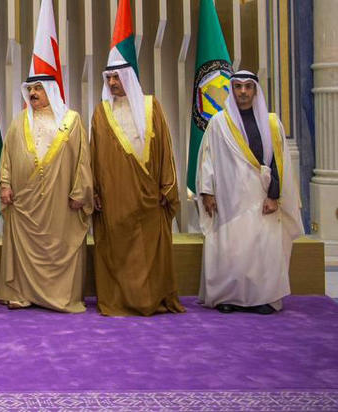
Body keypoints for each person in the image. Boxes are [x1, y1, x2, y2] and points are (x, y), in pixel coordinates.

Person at [195, 70, 302, 313]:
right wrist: (207, 192)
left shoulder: (271, 123)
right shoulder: (218, 123)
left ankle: (262, 299)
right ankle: (228, 298)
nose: (243, 92)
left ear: (255, 90)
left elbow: (279, 162)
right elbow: (207, 161)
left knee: (262, 249)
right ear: (231, 90)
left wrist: (274, 196)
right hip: (228, 199)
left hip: (261, 199)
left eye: (248, 87)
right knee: (231, 248)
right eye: (238, 87)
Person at [90, 61, 185, 316]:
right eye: (108, 78)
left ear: (128, 79)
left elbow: (165, 148)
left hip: (150, 195)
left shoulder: (150, 106)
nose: (111, 83)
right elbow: (94, 156)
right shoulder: (101, 113)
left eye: (116, 78)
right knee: (118, 252)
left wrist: (168, 186)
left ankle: (152, 300)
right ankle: (121, 301)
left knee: (150, 252)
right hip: (115, 198)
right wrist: (95, 192)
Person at [0, 75, 93, 313]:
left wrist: (80, 191)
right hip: (24, 202)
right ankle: (21, 293)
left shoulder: (71, 120)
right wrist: (5, 184)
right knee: (23, 248)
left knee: (60, 245)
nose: (33, 93)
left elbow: (83, 159)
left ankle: (59, 296)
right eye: (30, 89)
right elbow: (6, 156)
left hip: (61, 200)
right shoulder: (19, 121)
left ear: (51, 90)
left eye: (39, 88)